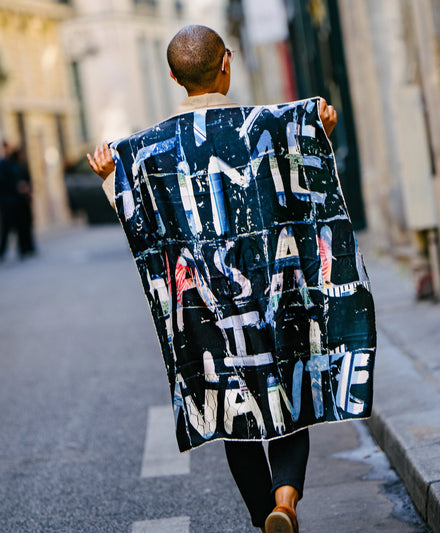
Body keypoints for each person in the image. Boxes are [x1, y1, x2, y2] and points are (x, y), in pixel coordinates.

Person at [88, 25, 354, 533]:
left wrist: (110, 178)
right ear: (226, 64)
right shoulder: (268, 124)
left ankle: (264, 517)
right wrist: (318, 126)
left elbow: (144, 230)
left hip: (207, 308)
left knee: (235, 414)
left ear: (174, 78)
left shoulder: (151, 150)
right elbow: (305, 178)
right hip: (275, 294)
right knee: (289, 391)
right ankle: (286, 501)